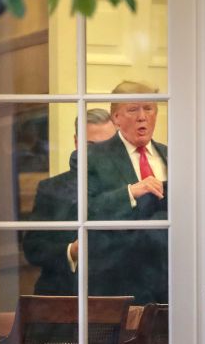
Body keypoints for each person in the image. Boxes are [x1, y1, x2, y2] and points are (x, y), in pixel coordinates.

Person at [86, 80, 168, 304]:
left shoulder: (173, 155)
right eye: (133, 110)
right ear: (116, 118)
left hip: (170, 282)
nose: (142, 117)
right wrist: (131, 192)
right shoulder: (92, 157)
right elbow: (86, 210)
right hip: (118, 285)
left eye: (149, 108)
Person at [22, 109, 116, 295]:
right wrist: (70, 252)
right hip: (62, 298)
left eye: (107, 145)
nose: (100, 153)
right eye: (91, 145)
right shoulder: (51, 188)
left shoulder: (131, 187)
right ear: (76, 142)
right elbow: (33, 248)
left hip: (119, 294)